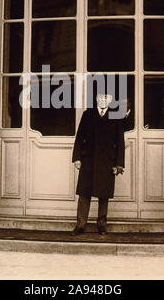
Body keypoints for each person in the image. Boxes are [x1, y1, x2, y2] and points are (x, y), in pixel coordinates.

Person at [71, 93, 128, 236]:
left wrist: (119, 164)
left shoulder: (116, 115)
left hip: (107, 161)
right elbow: (79, 137)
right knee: (84, 194)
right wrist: (77, 158)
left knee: (104, 194)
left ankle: (102, 225)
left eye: (106, 99)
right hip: (88, 160)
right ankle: (80, 225)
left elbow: (120, 142)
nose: (103, 101)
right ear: (96, 100)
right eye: (100, 99)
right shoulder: (88, 114)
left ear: (110, 101)